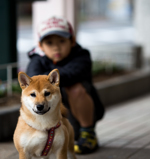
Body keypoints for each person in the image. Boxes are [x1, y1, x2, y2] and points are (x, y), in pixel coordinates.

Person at [26, 16, 104, 154]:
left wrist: (45, 79)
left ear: (72, 41)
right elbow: (32, 80)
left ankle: (88, 134)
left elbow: (70, 74)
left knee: (74, 88)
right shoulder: (37, 59)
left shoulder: (81, 56)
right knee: (34, 93)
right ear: (41, 46)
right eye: (49, 43)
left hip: (77, 116)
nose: (56, 47)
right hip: (51, 117)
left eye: (62, 41)